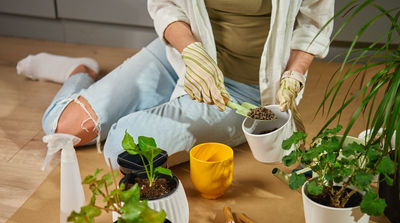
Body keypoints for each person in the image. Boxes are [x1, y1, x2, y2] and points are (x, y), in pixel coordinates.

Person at [17, 0, 334, 170]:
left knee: (121, 151)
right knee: (61, 126)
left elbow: (314, 22)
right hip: (180, 57)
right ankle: (80, 69)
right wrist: (192, 52)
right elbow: (165, 5)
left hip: (243, 90)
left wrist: (294, 74)